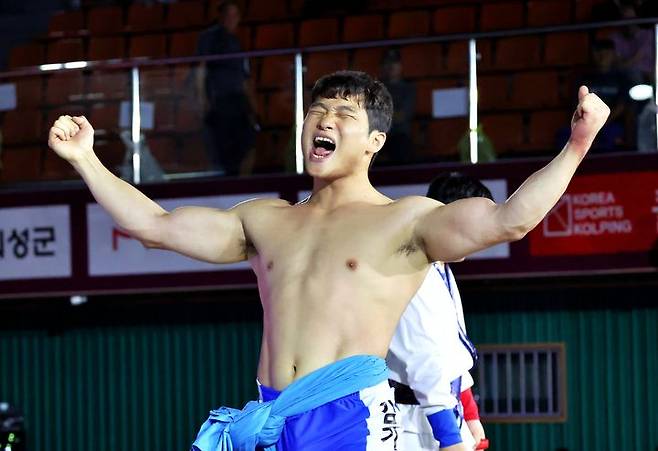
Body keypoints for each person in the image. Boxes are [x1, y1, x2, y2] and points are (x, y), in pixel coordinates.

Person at [47, 70, 609, 450]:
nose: (324, 120)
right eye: (317, 110)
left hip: (351, 418)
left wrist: (578, 144)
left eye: (344, 113)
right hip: (270, 415)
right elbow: (152, 227)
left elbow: (510, 220)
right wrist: (86, 160)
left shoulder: (407, 221)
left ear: (375, 142)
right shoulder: (265, 220)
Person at [387, 173, 492, 451]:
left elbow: (452, 353)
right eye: (479, 225)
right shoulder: (412, 270)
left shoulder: (441, 266)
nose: (482, 237)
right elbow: (424, 364)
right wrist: (450, 438)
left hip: (444, 409)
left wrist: (470, 414)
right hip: (410, 421)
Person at [196, 0, 258, 175]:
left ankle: (242, 185)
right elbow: (200, 70)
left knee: (248, 146)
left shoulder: (237, 43)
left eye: (235, 15)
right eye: (228, 15)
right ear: (220, 17)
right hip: (219, 104)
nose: (232, 19)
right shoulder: (209, 38)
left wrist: (253, 107)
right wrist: (202, 100)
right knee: (224, 153)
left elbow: (245, 78)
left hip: (239, 104)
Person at [379, 49, 416, 165]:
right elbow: (372, 115)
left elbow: (404, 115)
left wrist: (383, 116)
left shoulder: (408, 88)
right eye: (387, 62)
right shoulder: (376, 89)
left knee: (400, 146)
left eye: (394, 63)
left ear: (400, 66)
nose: (391, 66)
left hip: (399, 135)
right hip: (379, 135)